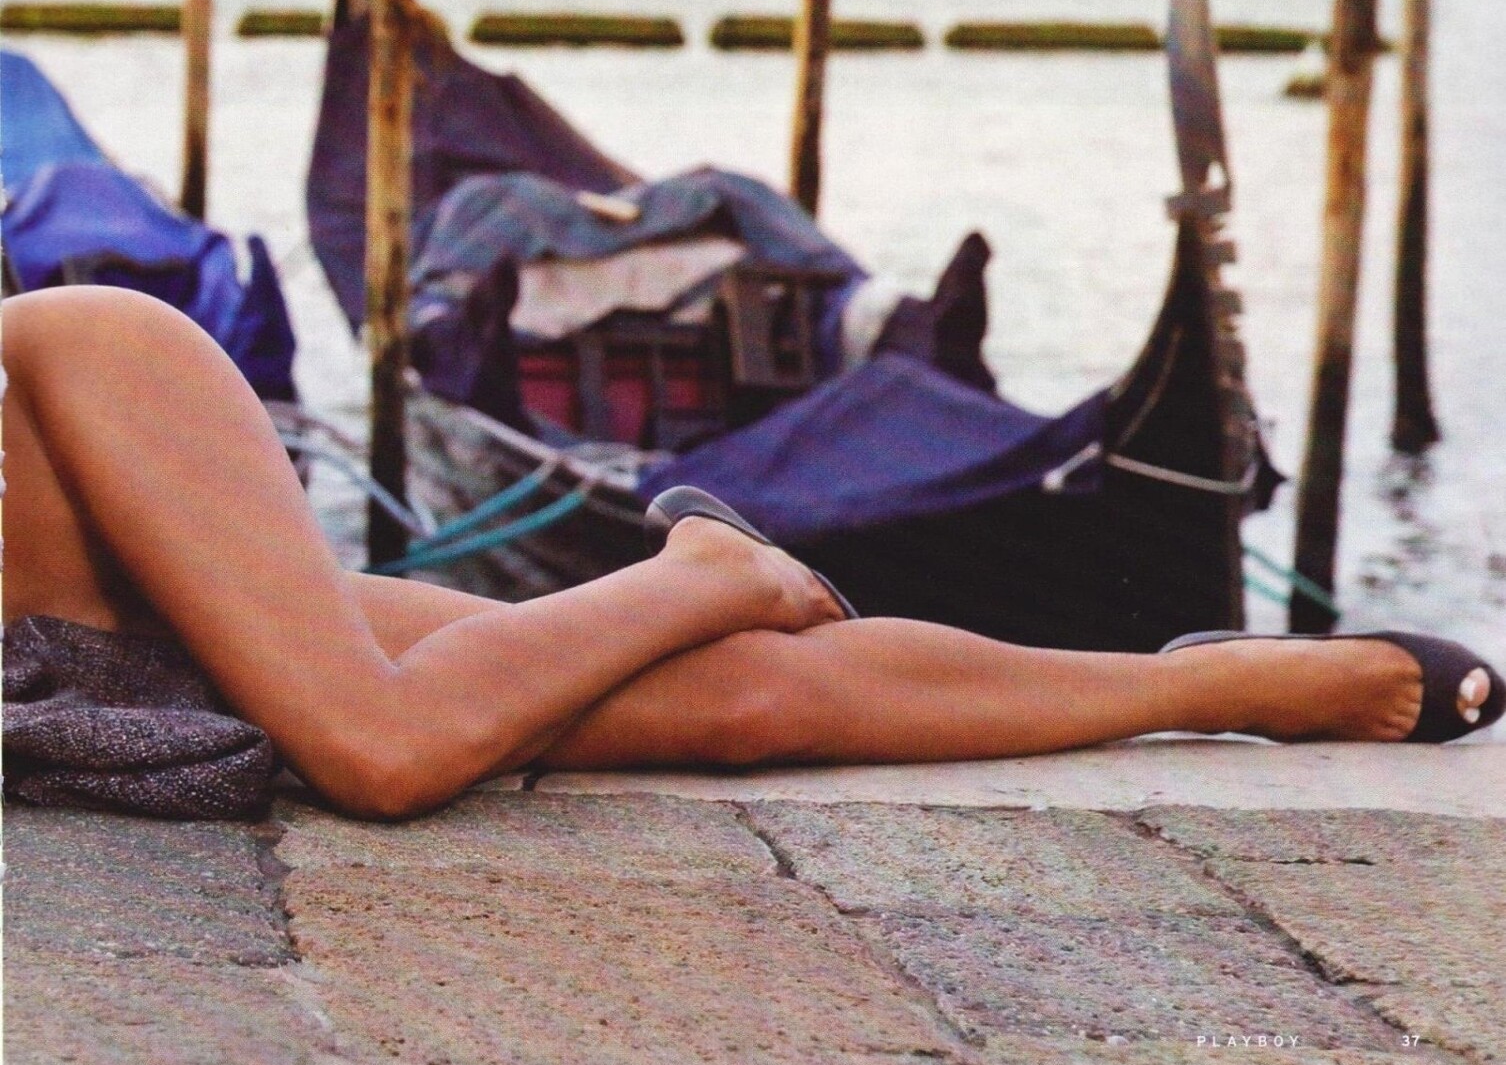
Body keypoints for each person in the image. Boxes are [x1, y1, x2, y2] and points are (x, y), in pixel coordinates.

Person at [5, 286, 1499, 822]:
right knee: (746, 703)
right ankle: (1202, 674)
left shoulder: (79, 346)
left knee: (391, 747)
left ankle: (699, 573)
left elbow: (385, 760)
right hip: (66, 656)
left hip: (105, 451)